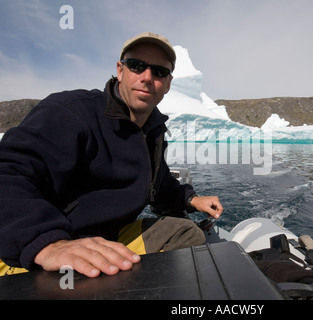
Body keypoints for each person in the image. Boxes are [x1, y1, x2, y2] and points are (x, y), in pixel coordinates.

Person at [0, 32, 223, 278]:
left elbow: (158, 185)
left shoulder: (152, 132)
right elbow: (9, 171)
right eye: (137, 66)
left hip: (105, 238)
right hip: (38, 244)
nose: (147, 77)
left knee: (186, 232)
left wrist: (190, 199)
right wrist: (48, 242)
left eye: (159, 71)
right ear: (120, 70)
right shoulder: (72, 112)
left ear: (168, 83)